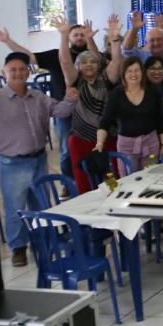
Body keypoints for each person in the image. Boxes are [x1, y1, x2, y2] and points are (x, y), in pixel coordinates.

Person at [0, 52, 77, 266]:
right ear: (3, 72)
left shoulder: (38, 97)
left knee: (40, 205)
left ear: (28, 72)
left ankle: (42, 241)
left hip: (38, 159)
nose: (18, 73)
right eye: (12, 69)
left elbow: (59, 111)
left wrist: (70, 100)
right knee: (15, 207)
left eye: (22, 69)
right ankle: (18, 248)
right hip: (11, 163)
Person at [0, 22, 95, 178]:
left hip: (90, 109)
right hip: (63, 109)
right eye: (76, 35)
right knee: (66, 149)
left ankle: (91, 179)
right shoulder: (55, 55)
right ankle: (69, 181)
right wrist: (7, 41)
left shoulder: (92, 56)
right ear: (69, 37)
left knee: (91, 145)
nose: (80, 38)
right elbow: (29, 56)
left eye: (82, 35)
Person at [58, 16, 122, 194]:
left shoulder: (106, 78)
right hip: (81, 139)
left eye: (92, 61)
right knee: (84, 184)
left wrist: (115, 40)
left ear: (99, 64)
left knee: (113, 182)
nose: (88, 65)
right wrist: (64, 36)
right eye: (84, 62)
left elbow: (116, 61)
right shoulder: (75, 81)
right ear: (78, 67)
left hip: (109, 138)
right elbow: (64, 61)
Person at [97, 56, 163, 171]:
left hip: (150, 144)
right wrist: (99, 143)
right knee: (127, 180)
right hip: (126, 146)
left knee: (149, 178)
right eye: (129, 71)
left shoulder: (152, 91)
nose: (134, 74)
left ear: (142, 72)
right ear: (123, 74)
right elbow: (105, 121)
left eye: (137, 70)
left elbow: (160, 120)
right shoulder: (116, 93)